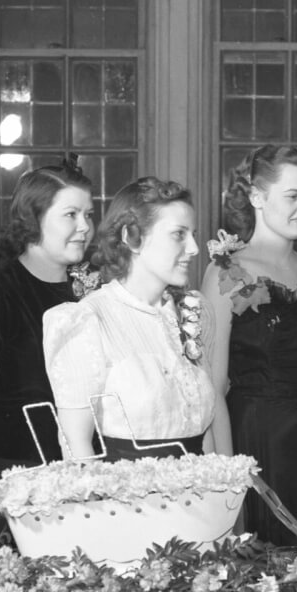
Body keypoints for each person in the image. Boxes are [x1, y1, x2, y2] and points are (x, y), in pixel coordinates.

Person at [202, 144, 297, 545]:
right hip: (257, 440)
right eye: (293, 195)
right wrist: (232, 480)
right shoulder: (225, 271)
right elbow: (212, 388)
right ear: (257, 197)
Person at [43, 178, 229, 461]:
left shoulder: (195, 310)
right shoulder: (86, 320)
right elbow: (75, 446)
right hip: (128, 500)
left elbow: (206, 432)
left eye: (193, 234)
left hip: (198, 497)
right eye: (179, 234)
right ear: (132, 237)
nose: (193, 248)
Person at [0, 158, 96, 475]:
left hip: (96, 471)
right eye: (71, 215)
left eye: (88, 215)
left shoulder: (97, 294)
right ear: (33, 219)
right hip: (19, 472)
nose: (85, 226)